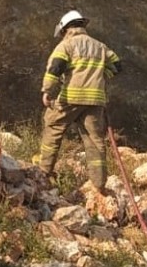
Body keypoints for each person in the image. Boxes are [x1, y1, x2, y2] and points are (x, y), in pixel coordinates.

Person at [38, 10, 121, 190]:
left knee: (53, 126)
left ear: (66, 29)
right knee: (94, 140)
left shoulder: (66, 46)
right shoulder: (100, 46)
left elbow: (55, 69)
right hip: (95, 101)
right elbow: (117, 66)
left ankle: (43, 174)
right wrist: (101, 77)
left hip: (70, 97)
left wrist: (47, 91)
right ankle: (99, 184)